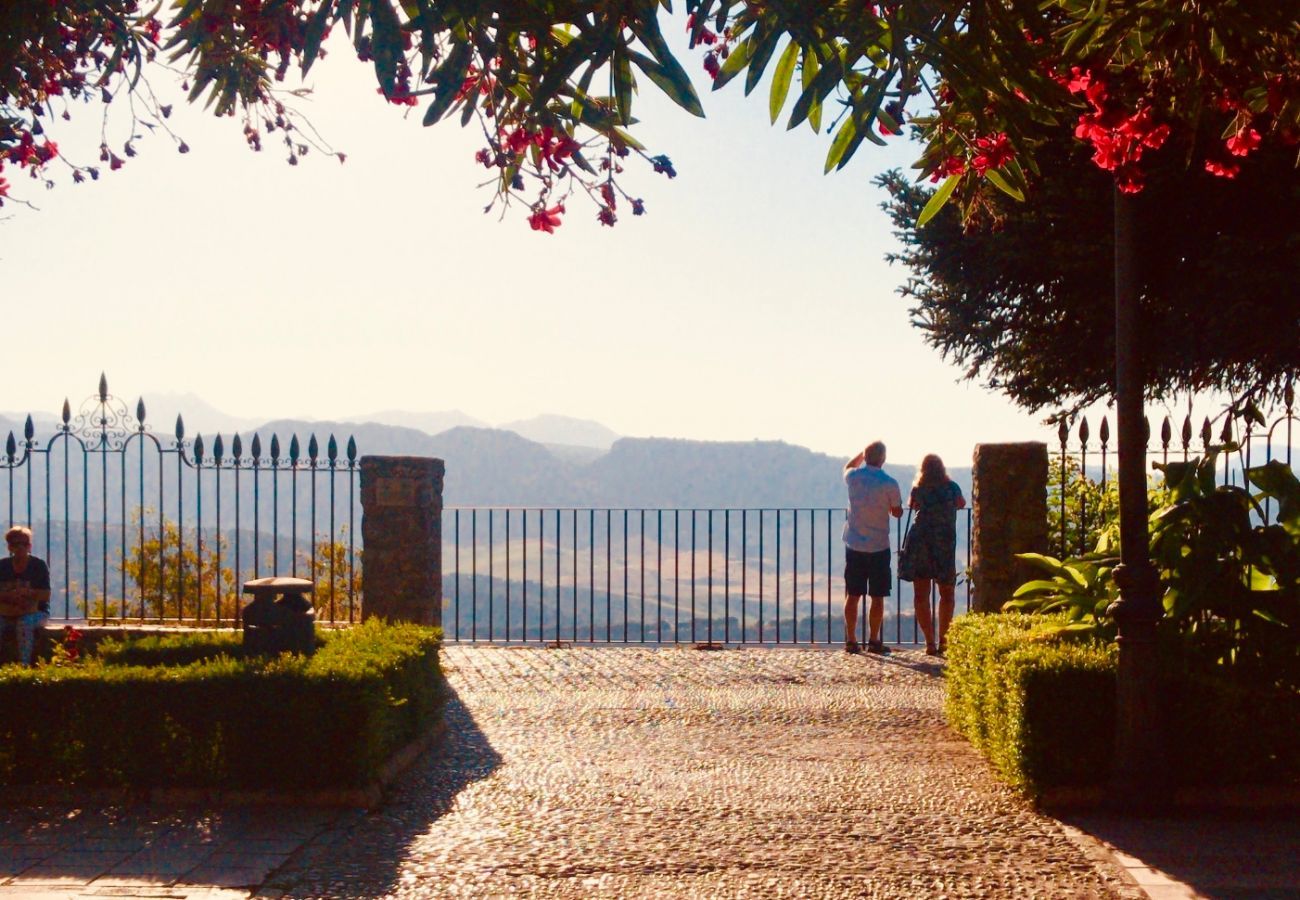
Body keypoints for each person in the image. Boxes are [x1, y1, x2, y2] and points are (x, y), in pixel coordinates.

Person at [899, 455, 966, 656]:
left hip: (921, 543)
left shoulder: (918, 489)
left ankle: (929, 642)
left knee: (921, 595)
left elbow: (913, 506)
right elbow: (961, 503)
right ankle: (944, 639)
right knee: (947, 593)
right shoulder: (952, 488)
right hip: (944, 543)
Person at [842, 441, 902, 655]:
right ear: (883, 458)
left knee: (853, 594)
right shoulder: (889, 482)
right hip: (878, 545)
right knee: (877, 595)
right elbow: (896, 512)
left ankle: (851, 640)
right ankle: (874, 640)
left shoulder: (853, 478)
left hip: (855, 543)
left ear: (866, 457)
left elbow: (847, 467)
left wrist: (860, 454)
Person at [0, 526, 51, 666]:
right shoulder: (2, 566)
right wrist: (9, 596)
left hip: (36, 612)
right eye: (16, 544)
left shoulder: (38, 566)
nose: (21, 548)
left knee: (25, 623)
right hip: (6, 612)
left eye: (25, 544)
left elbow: (46, 595)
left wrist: (29, 594)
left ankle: (24, 664)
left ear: (30, 546)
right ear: (10, 547)